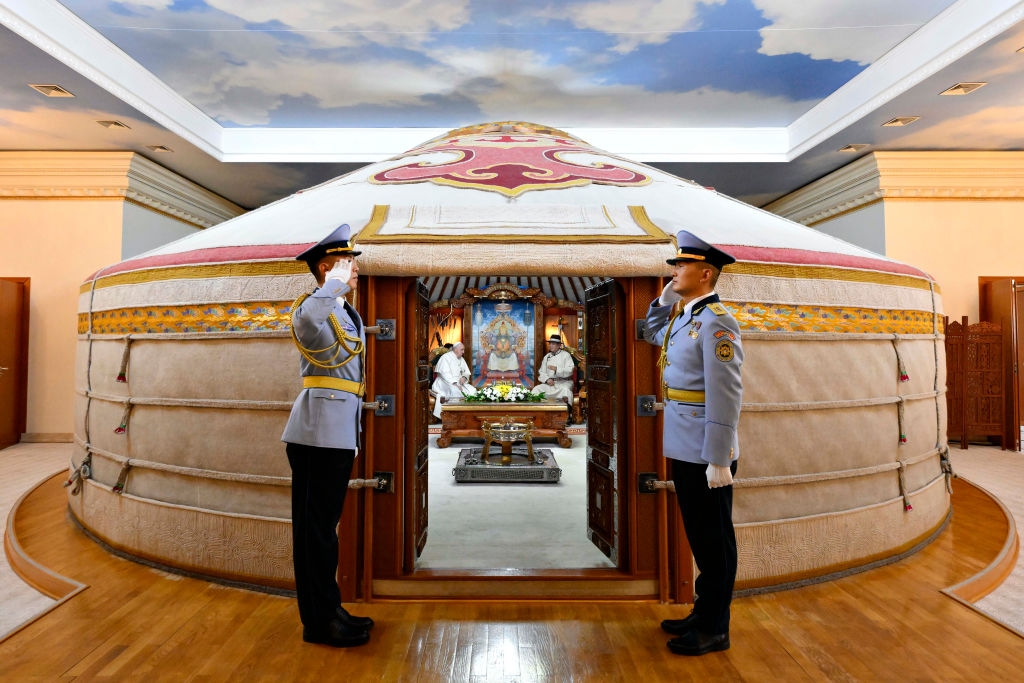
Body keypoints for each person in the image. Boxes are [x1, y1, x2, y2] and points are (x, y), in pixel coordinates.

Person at [644, 229, 743, 656]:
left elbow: (726, 392)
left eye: (681, 265)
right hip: (684, 443)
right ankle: (703, 614)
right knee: (699, 536)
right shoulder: (686, 317)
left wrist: (718, 457)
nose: (674, 271)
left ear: (705, 274)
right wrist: (664, 300)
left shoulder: (718, 322)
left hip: (706, 449)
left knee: (715, 541)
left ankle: (715, 628)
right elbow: (651, 334)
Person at [281, 223, 375, 648]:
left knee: (326, 529)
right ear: (326, 267)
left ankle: (330, 608)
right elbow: (305, 323)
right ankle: (317, 623)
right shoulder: (316, 306)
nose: (355, 272)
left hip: (337, 432)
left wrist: (335, 290)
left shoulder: (341, 310)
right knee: (314, 531)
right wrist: (331, 286)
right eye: (348, 264)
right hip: (317, 434)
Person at [533, 334, 576, 420]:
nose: (551, 346)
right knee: (536, 389)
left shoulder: (566, 355)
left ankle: (567, 416)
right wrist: (547, 379)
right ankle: (538, 415)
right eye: (550, 344)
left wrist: (557, 369)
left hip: (564, 382)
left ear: (559, 345)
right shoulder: (547, 357)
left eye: (553, 344)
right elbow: (541, 372)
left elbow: (570, 370)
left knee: (566, 391)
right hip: (550, 384)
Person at [431, 341, 471, 418]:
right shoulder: (445, 357)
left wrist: (464, 377)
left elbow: (466, 372)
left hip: (459, 383)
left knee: (472, 391)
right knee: (455, 390)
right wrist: (454, 383)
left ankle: (465, 416)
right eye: (462, 350)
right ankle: (452, 416)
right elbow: (444, 374)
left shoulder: (461, 359)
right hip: (444, 382)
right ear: (455, 349)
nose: (463, 352)